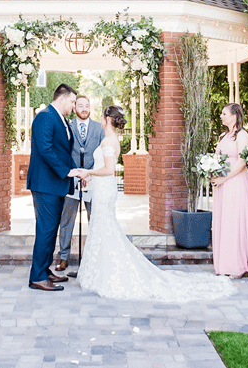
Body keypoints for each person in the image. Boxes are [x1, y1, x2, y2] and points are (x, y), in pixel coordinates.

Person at [72, 106, 235, 302]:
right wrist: (89, 178)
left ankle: (107, 273)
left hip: (105, 190)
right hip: (102, 189)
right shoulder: (112, 139)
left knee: (104, 228)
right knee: (102, 228)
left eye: (102, 116)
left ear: (107, 119)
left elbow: (108, 170)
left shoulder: (108, 140)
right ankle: (100, 271)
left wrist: (86, 172)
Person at [26, 84, 77, 291]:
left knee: (51, 229)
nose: (74, 106)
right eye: (73, 102)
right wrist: (66, 172)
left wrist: (75, 171)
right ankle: (37, 276)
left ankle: (44, 270)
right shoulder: (45, 116)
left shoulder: (60, 118)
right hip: (45, 183)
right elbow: (46, 150)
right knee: (46, 230)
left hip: (55, 183)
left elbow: (63, 152)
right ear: (62, 99)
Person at [210, 103, 248, 278]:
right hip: (222, 183)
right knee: (226, 221)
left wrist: (224, 178)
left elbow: (242, 162)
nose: (221, 117)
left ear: (234, 116)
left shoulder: (242, 135)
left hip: (235, 181)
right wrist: (212, 171)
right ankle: (226, 263)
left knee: (236, 220)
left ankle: (238, 265)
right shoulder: (224, 136)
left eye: (224, 113)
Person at [55, 95, 104, 272]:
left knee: (95, 219)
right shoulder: (67, 127)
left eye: (87, 106)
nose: (84, 109)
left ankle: (95, 256)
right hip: (72, 179)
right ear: (74, 107)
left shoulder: (99, 128)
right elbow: (63, 152)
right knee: (66, 220)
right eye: (80, 105)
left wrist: (88, 174)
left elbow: (102, 155)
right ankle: (63, 256)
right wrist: (76, 173)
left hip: (92, 180)